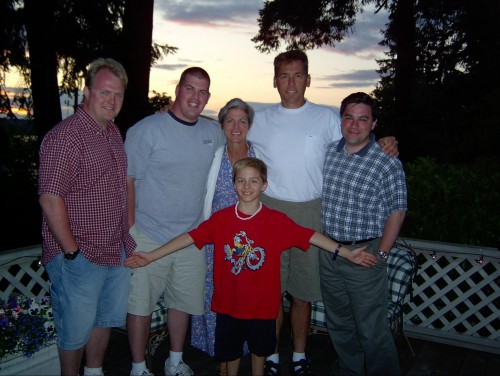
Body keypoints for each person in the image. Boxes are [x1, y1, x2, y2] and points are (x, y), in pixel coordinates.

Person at [124, 157, 378, 376]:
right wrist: (152, 255)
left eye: (254, 180)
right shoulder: (221, 219)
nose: (247, 186)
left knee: (260, 352)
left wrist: (346, 253)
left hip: (263, 309)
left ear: (264, 185)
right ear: (234, 184)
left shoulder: (276, 221)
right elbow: (189, 237)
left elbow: (310, 235)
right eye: (241, 180)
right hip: (228, 306)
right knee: (230, 354)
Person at [247, 49, 399, 375]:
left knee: (302, 293)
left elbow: (356, 140)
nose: (291, 82)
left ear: (308, 79)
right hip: (269, 212)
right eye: (284, 75)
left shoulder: (328, 117)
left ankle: (300, 355)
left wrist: (384, 141)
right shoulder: (259, 118)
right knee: (271, 292)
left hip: (311, 213)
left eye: (298, 74)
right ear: (275, 81)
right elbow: (228, 129)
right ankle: (272, 355)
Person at [38, 58, 135, 376]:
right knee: (74, 332)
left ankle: (94, 372)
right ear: (87, 92)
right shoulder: (66, 137)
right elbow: (50, 198)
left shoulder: (112, 133)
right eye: (106, 92)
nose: (112, 101)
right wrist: (72, 253)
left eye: (118, 95)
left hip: (113, 251)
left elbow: (121, 188)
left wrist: (126, 241)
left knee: (104, 320)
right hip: (79, 256)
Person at [125, 67, 224, 376]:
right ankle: (138, 367)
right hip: (148, 233)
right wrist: (130, 233)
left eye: (203, 91)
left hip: (190, 238)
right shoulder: (146, 130)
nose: (196, 97)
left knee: (181, 303)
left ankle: (175, 361)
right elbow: (127, 182)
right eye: (190, 89)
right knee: (140, 304)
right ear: (178, 89)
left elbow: (240, 136)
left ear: (208, 96)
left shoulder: (212, 133)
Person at [320, 92, 407, 375]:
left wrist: (381, 254)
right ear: (340, 119)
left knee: (372, 331)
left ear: (373, 123)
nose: (354, 126)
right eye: (348, 118)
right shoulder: (329, 153)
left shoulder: (386, 161)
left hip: (365, 255)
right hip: (330, 253)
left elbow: (398, 210)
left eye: (362, 119)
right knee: (340, 325)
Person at [190, 98, 257, 375]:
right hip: (216, 244)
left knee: (243, 301)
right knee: (215, 299)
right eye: (230, 121)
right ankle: (223, 358)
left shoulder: (259, 156)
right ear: (222, 126)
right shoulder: (213, 154)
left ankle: (239, 354)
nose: (236, 126)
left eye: (242, 120)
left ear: (250, 125)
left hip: (248, 245)